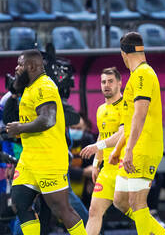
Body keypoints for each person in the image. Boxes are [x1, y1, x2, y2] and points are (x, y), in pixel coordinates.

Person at [7, 49, 87, 234]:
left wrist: (20, 128)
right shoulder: (30, 86)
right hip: (30, 158)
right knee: (20, 202)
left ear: (32, 66)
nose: (17, 68)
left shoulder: (45, 86)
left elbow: (47, 119)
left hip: (49, 159)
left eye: (20, 64)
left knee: (62, 210)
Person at [107, 32, 165, 235]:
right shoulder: (138, 75)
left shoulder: (143, 74)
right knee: (120, 200)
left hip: (142, 148)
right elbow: (129, 120)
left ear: (123, 53)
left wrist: (130, 149)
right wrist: (119, 148)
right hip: (134, 146)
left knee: (137, 203)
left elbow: (140, 115)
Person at [78, 67, 133, 235]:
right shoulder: (101, 109)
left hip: (125, 166)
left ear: (119, 83)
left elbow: (122, 134)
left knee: (125, 207)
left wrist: (97, 147)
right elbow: (102, 137)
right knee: (94, 211)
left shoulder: (126, 105)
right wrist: (96, 163)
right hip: (107, 170)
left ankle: (155, 227)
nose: (106, 85)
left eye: (110, 81)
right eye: (103, 82)